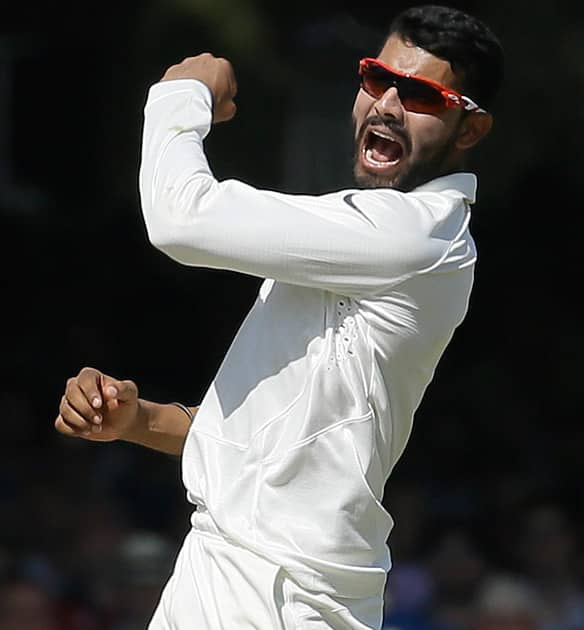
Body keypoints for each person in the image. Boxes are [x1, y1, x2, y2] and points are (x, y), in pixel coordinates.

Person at [53, 4, 503, 629]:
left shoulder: (417, 237)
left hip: (283, 597)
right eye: (377, 79)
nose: (387, 106)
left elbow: (181, 221)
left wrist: (180, 94)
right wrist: (138, 420)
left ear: (468, 129)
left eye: (422, 93)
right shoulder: (357, 236)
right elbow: (274, 446)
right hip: (219, 572)